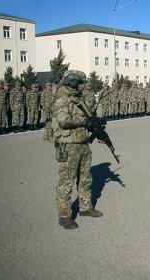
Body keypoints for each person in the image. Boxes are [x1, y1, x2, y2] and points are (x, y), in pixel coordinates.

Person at [50, 70, 103, 229]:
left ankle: (85, 208)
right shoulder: (61, 97)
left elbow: (86, 117)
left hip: (82, 142)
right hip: (68, 144)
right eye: (80, 82)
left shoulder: (78, 97)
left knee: (85, 178)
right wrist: (84, 121)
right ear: (72, 82)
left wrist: (95, 124)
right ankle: (65, 216)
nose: (82, 85)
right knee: (67, 181)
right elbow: (64, 120)